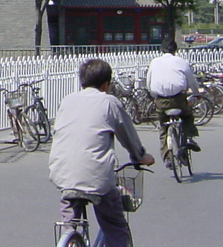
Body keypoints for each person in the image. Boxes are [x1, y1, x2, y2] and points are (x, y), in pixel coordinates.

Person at [48, 58, 154, 247]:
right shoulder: (109, 102)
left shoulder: (67, 101)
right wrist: (141, 157)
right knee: (115, 226)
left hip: (62, 174)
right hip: (95, 178)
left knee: (69, 220)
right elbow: (128, 137)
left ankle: (68, 238)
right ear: (106, 84)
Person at [146, 39, 200, 164]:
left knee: (163, 126)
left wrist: (154, 96)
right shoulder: (181, 62)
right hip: (178, 99)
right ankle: (189, 138)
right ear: (175, 50)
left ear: (161, 50)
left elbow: (149, 83)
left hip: (161, 101)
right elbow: (191, 80)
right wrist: (196, 93)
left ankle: (167, 158)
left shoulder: (154, 62)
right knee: (187, 116)